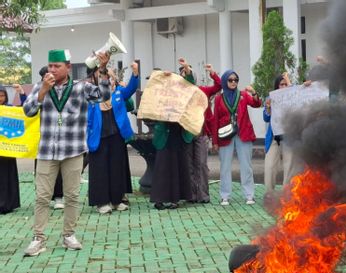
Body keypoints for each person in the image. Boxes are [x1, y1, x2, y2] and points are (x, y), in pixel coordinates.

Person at [22, 49, 111, 256]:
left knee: (72, 196)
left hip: (73, 150)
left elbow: (104, 96)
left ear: (68, 67)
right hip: (46, 152)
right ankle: (38, 239)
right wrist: (43, 91)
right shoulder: (41, 86)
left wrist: (104, 69)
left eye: (57, 66)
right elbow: (28, 111)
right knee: (42, 197)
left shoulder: (81, 88)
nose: (52, 70)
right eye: (50, 66)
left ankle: (69, 235)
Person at [150, 61, 216, 210]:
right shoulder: (162, 92)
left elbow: (190, 84)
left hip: (178, 134)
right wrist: (163, 76)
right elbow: (154, 87)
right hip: (164, 134)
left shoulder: (184, 92)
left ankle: (175, 199)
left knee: (177, 167)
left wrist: (187, 69)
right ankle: (159, 199)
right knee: (162, 168)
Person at [87, 62, 139, 213]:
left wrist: (135, 74)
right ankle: (102, 202)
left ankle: (117, 201)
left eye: (109, 77)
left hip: (116, 136)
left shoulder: (118, 93)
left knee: (117, 168)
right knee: (100, 170)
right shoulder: (91, 95)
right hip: (98, 137)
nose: (108, 80)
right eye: (105, 76)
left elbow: (130, 89)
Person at [210, 70, 261, 206]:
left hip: (243, 134)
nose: (233, 82)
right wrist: (214, 141)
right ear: (225, 81)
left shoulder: (243, 95)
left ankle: (249, 195)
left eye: (236, 80)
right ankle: (224, 195)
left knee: (246, 166)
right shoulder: (219, 98)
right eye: (230, 80)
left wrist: (253, 92)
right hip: (225, 135)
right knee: (225, 166)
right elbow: (215, 120)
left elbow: (256, 104)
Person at [34, 66, 65, 209]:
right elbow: (29, 109)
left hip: (61, 136)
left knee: (59, 168)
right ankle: (43, 197)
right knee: (42, 170)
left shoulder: (63, 89)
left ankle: (59, 196)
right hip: (43, 138)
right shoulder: (40, 88)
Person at [0, 84, 27, 214]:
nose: (0, 98)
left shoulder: (10, 109)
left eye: (2, 95)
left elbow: (26, 109)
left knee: (7, 177)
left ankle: (8, 204)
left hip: (7, 151)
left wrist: (21, 92)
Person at [263, 74, 290, 192]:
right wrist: (268, 108)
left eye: (285, 84)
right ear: (277, 86)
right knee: (269, 166)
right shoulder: (270, 98)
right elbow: (266, 118)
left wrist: (290, 83)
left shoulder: (292, 97)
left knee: (289, 166)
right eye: (281, 84)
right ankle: (270, 192)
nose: (283, 86)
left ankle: (286, 194)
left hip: (289, 137)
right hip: (274, 137)